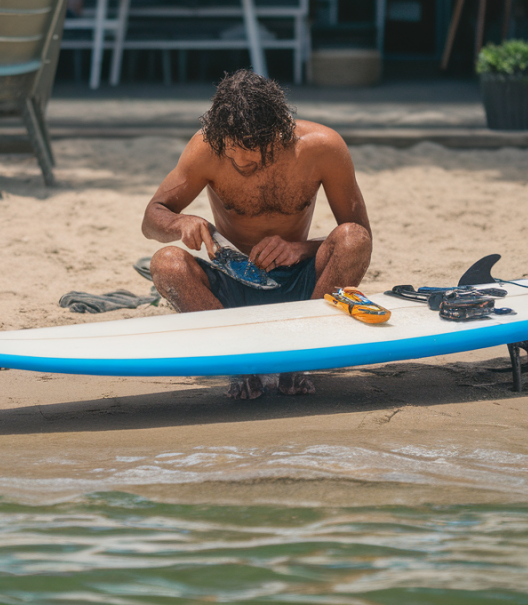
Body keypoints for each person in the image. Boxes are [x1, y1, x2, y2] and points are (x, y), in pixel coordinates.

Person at [142, 70, 373, 399]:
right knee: (166, 263)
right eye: (233, 153)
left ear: (280, 131)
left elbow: (362, 236)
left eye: (255, 155)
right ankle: (239, 364)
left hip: (304, 289)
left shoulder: (323, 147)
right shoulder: (207, 148)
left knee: (352, 240)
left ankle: (299, 360)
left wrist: (300, 249)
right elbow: (151, 219)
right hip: (232, 287)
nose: (241, 161)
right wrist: (181, 223)